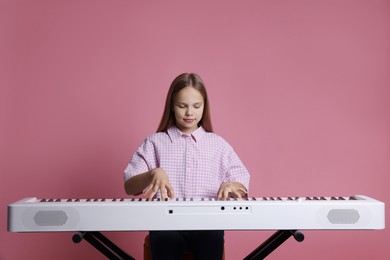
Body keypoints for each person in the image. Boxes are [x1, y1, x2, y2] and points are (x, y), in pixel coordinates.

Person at [124, 73, 250, 260]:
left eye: (196, 106)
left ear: (204, 106)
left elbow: (242, 183)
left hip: (207, 224)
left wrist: (232, 186)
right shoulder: (155, 143)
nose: (190, 112)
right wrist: (152, 174)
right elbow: (129, 186)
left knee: (211, 237)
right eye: (182, 106)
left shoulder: (218, 144)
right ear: (172, 107)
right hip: (166, 225)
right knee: (166, 239)